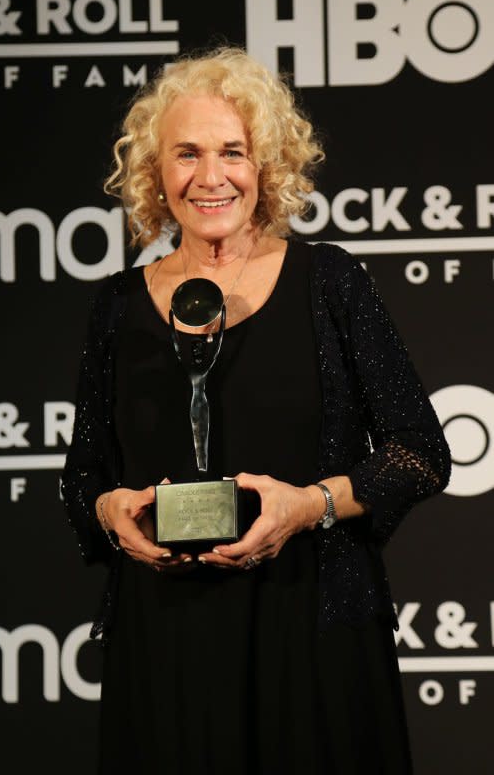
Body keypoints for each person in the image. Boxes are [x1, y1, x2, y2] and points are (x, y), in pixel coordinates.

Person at [62, 47, 451, 774]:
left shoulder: (328, 282)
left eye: (232, 152)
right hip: (165, 642)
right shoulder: (116, 305)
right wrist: (111, 509)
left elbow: (419, 450)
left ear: (266, 165)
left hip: (308, 632)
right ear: (153, 172)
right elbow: (82, 474)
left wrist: (307, 507)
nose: (209, 177)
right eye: (185, 154)